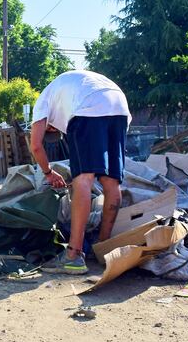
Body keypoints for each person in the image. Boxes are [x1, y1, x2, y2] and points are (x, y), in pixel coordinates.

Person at [29, 70, 131, 274]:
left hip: (89, 107)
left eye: (50, 130)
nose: (52, 130)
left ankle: (73, 256)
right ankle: (104, 248)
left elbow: (36, 147)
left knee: (83, 179)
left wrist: (49, 173)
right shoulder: (69, 89)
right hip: (119, 105)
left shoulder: (43, 100)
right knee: (112, 182)